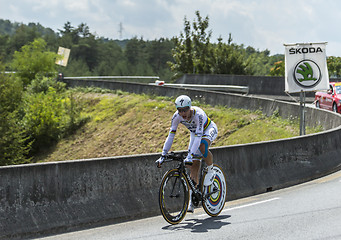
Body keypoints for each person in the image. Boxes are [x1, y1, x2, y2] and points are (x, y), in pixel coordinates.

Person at [156, 95, 218, 213]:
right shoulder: (176, 117)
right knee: (193, 165)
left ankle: (211, 169)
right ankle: (192, 200)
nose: (183, 113)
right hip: (194, 133)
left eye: (185, 109)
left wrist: (190, 155)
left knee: (202, 146)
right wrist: (163, 154)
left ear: (190, 107)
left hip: (207, 129)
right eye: (180, 110)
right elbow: (171, 135)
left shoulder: (198, 115)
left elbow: (199, 136)